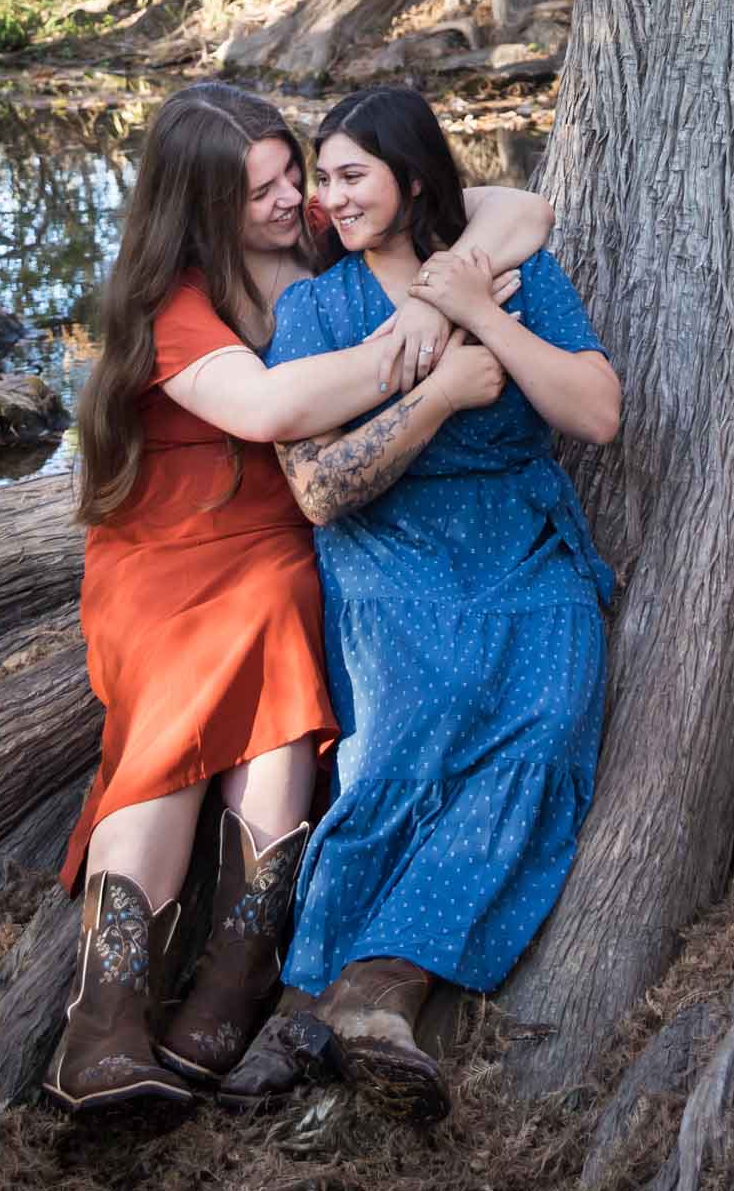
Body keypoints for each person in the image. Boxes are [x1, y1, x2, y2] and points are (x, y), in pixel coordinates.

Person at [43, 79, 553, 1112]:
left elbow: (517, 210)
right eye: (262, 191)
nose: (291, 201)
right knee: (180, 706)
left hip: (283, 532)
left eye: (292, 174)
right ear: (199, 207)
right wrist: (413, 351)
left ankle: (232, 986)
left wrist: (429, 291)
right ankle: (101, 1024)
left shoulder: (318, 221)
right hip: (169, 547)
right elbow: (276, 406)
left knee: (280, 629)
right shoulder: (170, 305)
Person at [220, 86, 620, 1123]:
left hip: (523, 545)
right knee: (404, 735)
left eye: (352, 173)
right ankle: (304, 1002)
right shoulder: (315, 309)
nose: (328, 197)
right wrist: (434, 395)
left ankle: (376, 990)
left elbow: (597, 412)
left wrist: (485, 311)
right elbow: (314, 486)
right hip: (386, 543)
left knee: (543, 730)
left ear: (412, 176)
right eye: (321, 177)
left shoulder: (516, 279)